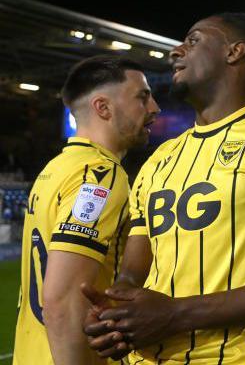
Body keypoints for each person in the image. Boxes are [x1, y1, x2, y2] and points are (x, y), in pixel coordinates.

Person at [83, 13, 245, 364]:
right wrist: (116, 311)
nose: (176, 51)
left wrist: (175, 314)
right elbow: (132, 273)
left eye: (194, 40)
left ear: (234, 52)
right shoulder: (160, 160)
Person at [14, 55, 159, 365]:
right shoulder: (100, 175)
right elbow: (64, 298)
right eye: (143, 97)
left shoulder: (57, 168)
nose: (154, 108)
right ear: (103, 108)